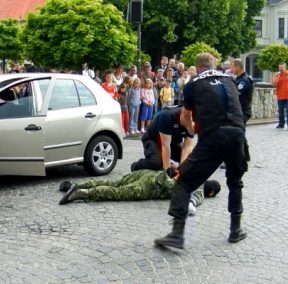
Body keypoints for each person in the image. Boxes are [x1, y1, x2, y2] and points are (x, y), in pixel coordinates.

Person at [155, 53, 248, 249]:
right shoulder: (230, 79)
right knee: (235, 181)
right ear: (214, 65)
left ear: (197, 68)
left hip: (213, 136)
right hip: (237, 134)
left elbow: (185, 116)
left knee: (184, 181)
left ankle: (177, 234)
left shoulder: (193, 83)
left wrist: (190, 130)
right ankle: (235, 229)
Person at [58, 170, 221, 212]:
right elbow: (194, 201)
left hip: (150, 173)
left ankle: (76, 184)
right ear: (211, 193)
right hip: (153, 186)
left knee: (113, 182)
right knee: (118, 192)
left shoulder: (194, 170)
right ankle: (80, 193)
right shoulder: (199, 188)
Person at [131, 106, 193, 173]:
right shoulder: (167, 116)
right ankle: (136, 166)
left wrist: (182, 168)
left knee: (189, 161)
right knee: (156, 162)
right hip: (153, 139)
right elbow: (165, 145)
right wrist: (168, 170)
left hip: (173, 141)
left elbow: (187, 146)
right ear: (182, 114)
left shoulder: (193, 121)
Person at [272, 62, 288, 129]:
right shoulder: (276, 75)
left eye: (282, 67)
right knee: (280, 111)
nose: (281, 69)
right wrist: (276, 77)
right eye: (280, 67)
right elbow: (274, 85)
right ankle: (281, 124)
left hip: (287, 96)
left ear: (285, 68)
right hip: (280, 96)